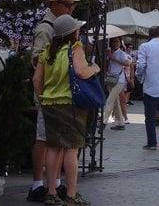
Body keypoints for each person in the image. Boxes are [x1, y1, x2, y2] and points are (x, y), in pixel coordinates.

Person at [32, 14, 99, 205]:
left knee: (53, 149)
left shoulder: (46, 51)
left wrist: (43, 98)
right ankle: (71, 194)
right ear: (72, 32)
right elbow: (81, 71)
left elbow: (36, 80)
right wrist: (95, 68)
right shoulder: (75, 48)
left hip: (50, 104)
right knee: (71, 150)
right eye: (77, 28)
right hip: (70, 105)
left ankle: (51, 192)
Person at [28, 0, 79, 203]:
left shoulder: (62, 27)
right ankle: (39, 184)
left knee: (55, 143)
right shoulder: (46, 29)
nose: (71, 9)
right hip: (49, 96)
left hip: (56, 96)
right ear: (53, 5)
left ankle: (53, 184)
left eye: (73, 5)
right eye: (67, 5)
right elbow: (37, 62)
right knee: (44, 141)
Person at [103, 37, 131, 130]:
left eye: (117, 41)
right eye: (113, 41)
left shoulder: (121, 53)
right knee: (115, 101)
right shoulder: (109, 52)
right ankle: (120, 123)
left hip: (119, 80)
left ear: (120, 43)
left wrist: (113, 58)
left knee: (110, 99)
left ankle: (104, 120)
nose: (115, 43)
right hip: (110, 79)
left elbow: (127, 63)